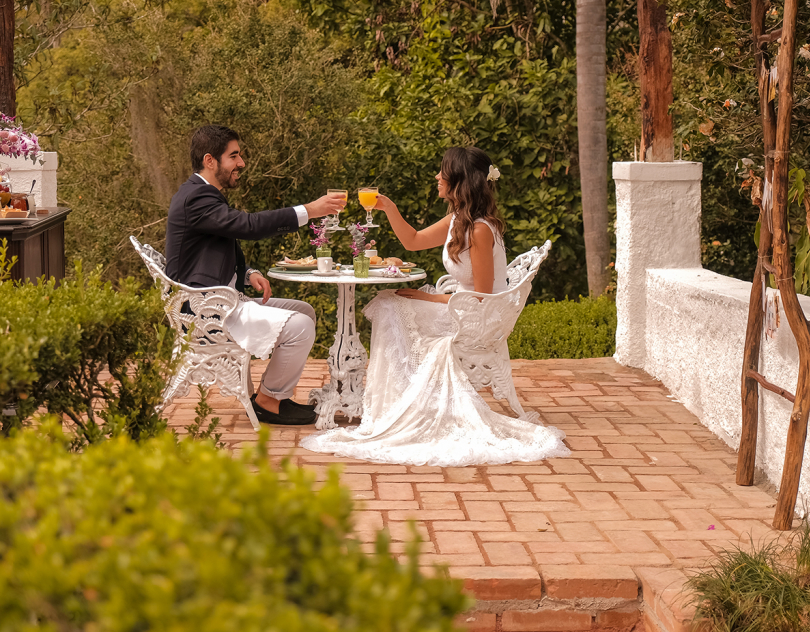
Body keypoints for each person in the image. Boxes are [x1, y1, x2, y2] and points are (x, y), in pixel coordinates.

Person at [300, 147, 569, 465]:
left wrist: (425, 297)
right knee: (389, 302)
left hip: (472, 317)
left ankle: (400, 404)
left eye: (444, 172)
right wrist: (389, 208)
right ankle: (399, 401)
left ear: (460, 182)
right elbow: (413, 240)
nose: (437, 177)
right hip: (459, 307)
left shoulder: (480, 229)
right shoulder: (459, 219)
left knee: (391, 305)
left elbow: (480, 296)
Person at [165, 125, 345, 426]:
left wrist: (248, 273)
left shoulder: (202, 195)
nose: (241, 163)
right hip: (206, 311)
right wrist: (308, 211)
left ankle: (276, 395)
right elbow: (247, 226)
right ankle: (268, 402)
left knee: (304, 311)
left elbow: (211, 246)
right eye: (234, 156)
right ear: (210, 161)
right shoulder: (196, 198)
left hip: (217, 299)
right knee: (299, 326)